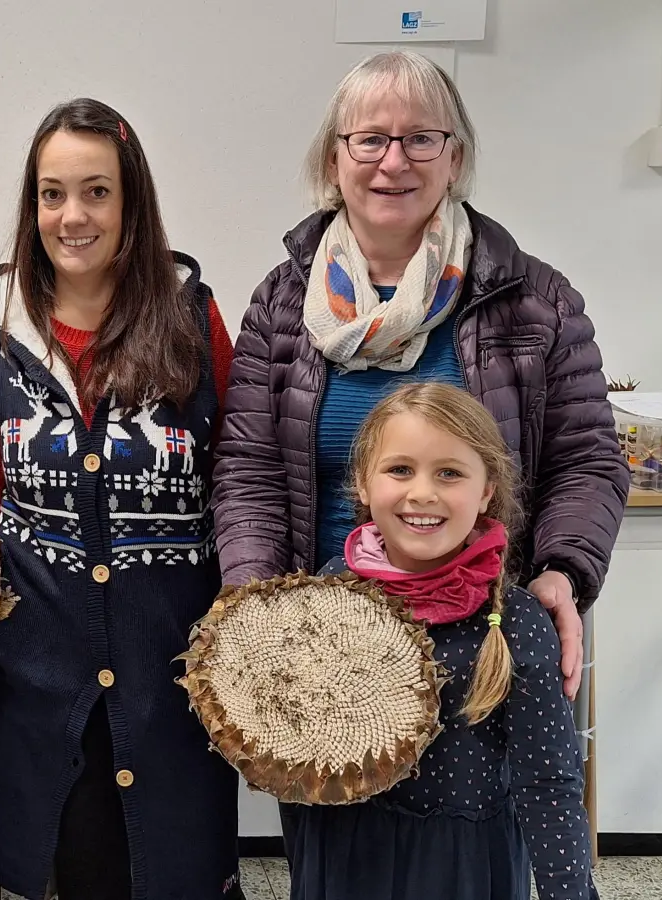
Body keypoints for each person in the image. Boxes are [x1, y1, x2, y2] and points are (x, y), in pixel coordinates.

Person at [212, 50, 630, 697]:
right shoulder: (284, 304)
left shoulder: (533, 300)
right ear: (334, 159)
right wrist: (254, 603)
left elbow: (586, 459)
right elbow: (250, 470)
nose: (395, 160)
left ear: (455, 158)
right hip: (327, 649)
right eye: (371, 139)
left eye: (420, 139)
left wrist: (562, 571)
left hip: (483, 644)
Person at [0, 98, 240, 900]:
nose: (71, 216)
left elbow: (239, 479)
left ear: (131, 201)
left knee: (177, 867)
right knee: (74, 869)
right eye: (52, 194)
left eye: (96, 191)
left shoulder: (191, 318)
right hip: (44, 678)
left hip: (172, 670)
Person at [288, 381, 596, 899]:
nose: (422, 493)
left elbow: (548, 784)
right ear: (363, 483)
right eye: (400, 469)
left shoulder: (515, 621)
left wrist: (572, 893)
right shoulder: (329, 591)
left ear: (486, 491)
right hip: (343, 857)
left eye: (449, 473)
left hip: (466, 870)